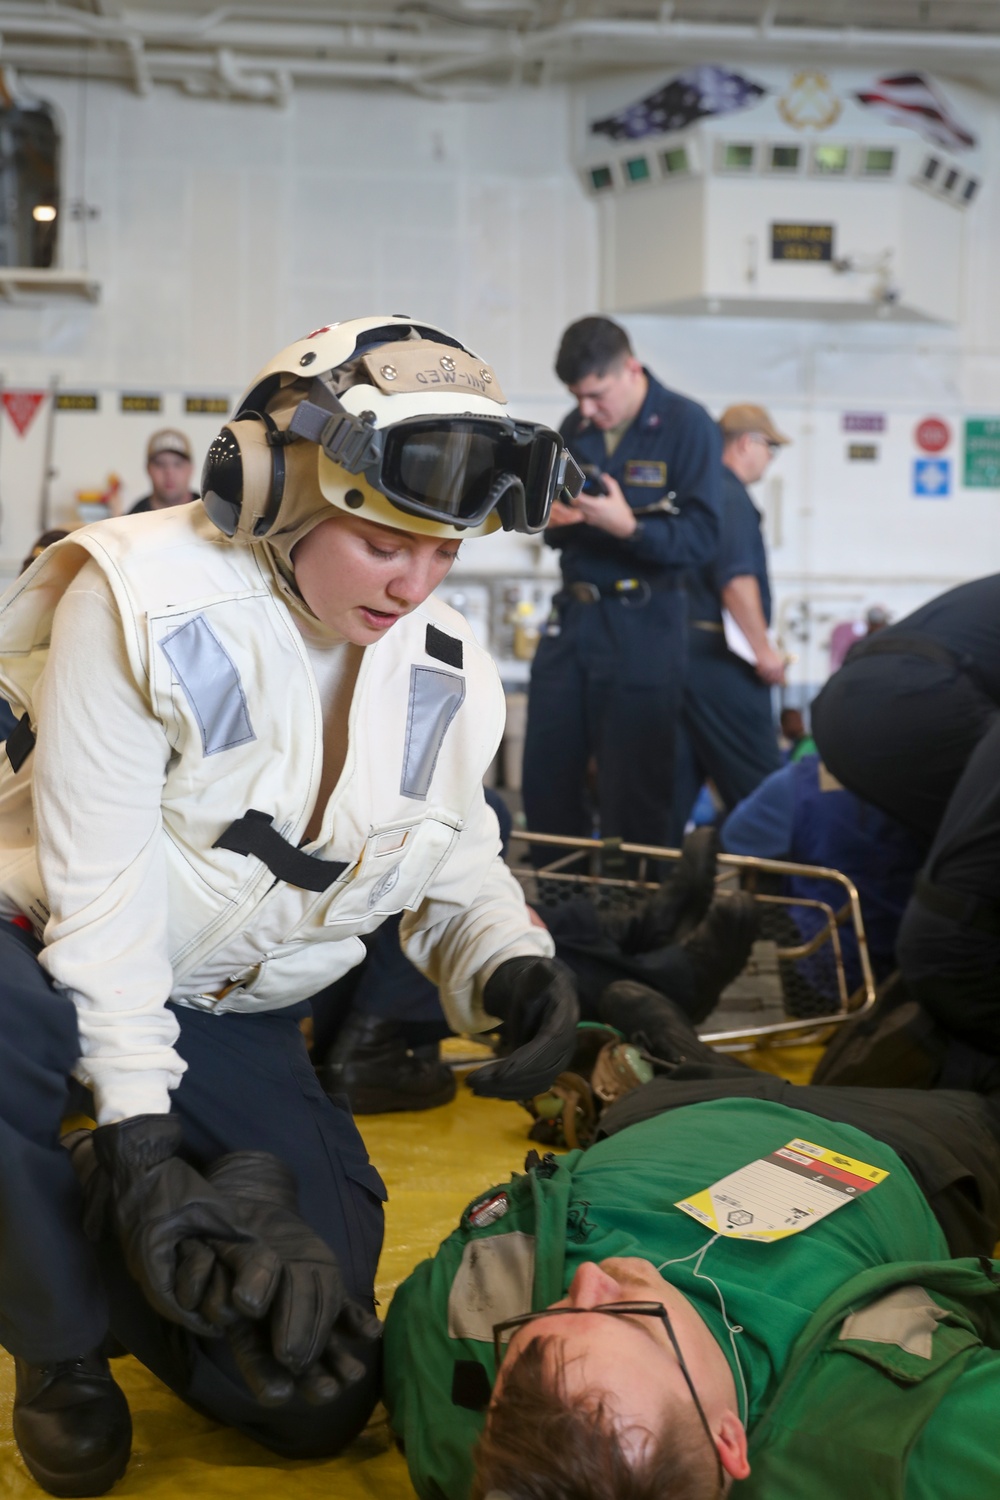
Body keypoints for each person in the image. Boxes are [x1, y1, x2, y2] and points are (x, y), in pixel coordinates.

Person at [0, 315, 585, 1496]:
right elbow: (102, 891)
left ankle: (98, 1228)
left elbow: (451, 848)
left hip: (233, 1014)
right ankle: (59, 1348)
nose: (413, 582)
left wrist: (511, 966)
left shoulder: (446, 661)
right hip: (52, 962)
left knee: (312, 1393)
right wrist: (141, 1130)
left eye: (444, 552)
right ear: (273, 488)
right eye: (380, 541)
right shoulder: (136, 599)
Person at [383, 996, 1000, 1500]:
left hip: (661, 1119)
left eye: (536, 1323)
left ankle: (667, 1062)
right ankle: (671, 1050)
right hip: (901, 1153)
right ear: (730, 1442)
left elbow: (410, 1328)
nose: (592, 1278)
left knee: (678, 1076)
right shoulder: (897, 1442)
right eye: (633, 1319)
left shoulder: (449, 1385)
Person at [521, 316, 721, 851]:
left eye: (596, 395)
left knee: (635, 792)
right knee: (547, 780)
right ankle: (561, 920)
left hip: (646, 629)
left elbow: (703, 539)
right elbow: (556, 527)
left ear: (630, 369)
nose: (586, 410)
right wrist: (555, 524)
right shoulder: (576, 427)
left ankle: (633, 923)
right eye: (576, 397)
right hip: (575, 621)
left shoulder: (688, 425)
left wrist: (629, 527)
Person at [811, 574, 1000, 1074]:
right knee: (975, 884)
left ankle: (905, 1032)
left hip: (841, 705)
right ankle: (938, 1054)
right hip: (927, 699)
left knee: (953, 875)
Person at [671, 404, 788, 841]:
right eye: (770, 446)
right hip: (723, 665)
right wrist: (764, 652)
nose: (770, 458)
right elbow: (736, 581)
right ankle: (783, 898)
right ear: (747, 443)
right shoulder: (731, 495)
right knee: (764, 791)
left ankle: (656, 899)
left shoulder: (695, 492)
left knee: (672, 794)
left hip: (680, 659)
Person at [722, 753, 922, 995]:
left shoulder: (798, 782)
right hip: (920, 964)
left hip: (824, 970)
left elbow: (734, 836)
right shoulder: (937, 776)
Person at [127, 428, 198, 513]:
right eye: (160, 464)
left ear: (191, 468)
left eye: (178, 464)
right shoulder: (133, 519)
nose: (169, 473)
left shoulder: (211, 514)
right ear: (148, 469)